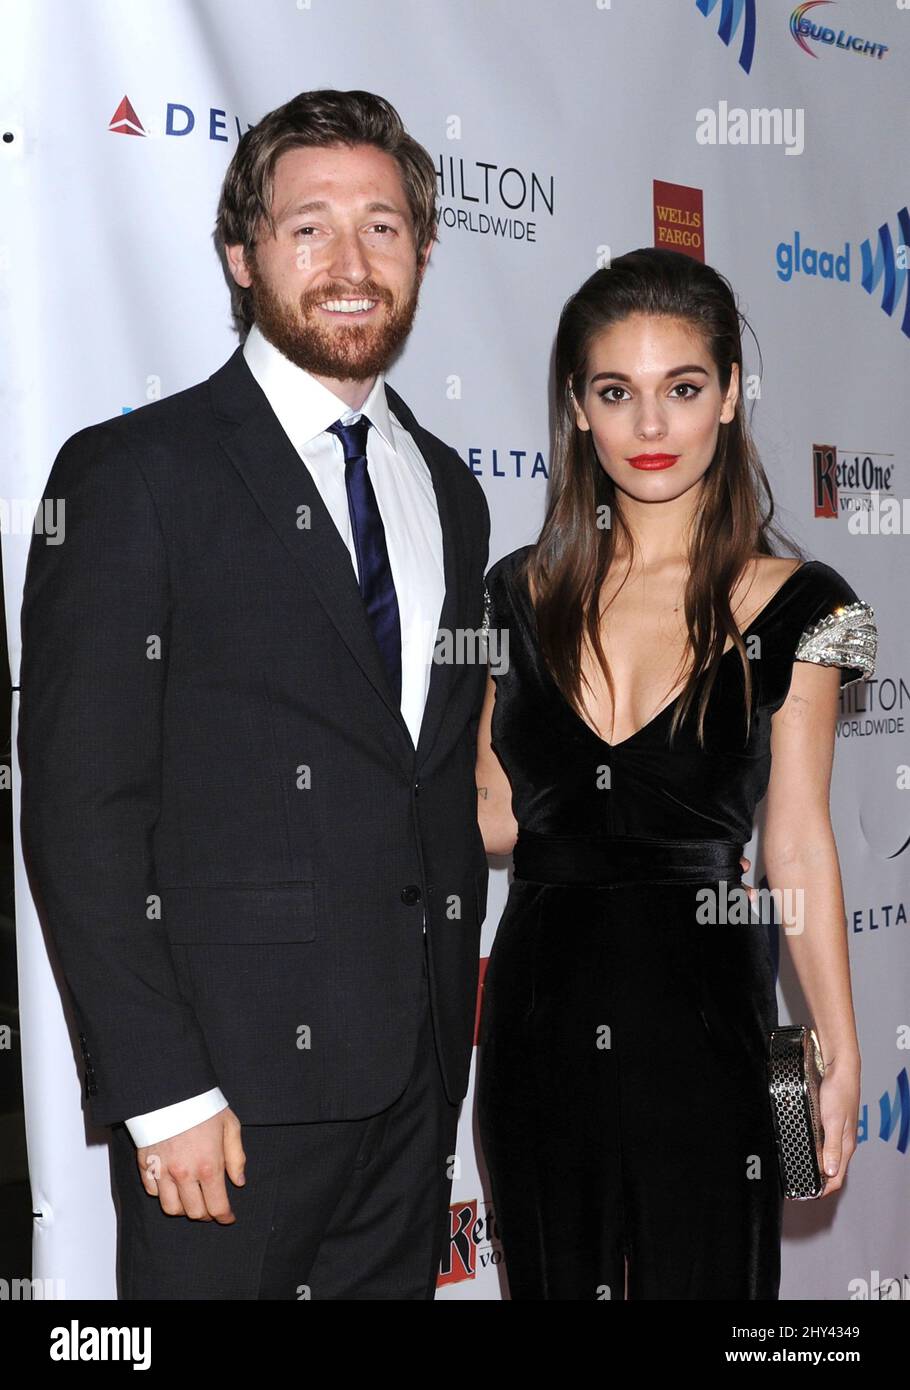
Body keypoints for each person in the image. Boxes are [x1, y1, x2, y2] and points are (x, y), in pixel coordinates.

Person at [18, 89, 490, 1300]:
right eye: (308, 227)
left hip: (413, 1085)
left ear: (423, 254)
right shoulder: (132, 474)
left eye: (383, 228)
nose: (351, 264)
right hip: (221, 1105)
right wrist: (161, 1087)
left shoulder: (449, 486)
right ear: (242, 254)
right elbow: (81, 807)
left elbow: (423, 782)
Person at [474, 247, 877, 1301]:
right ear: (576, 408)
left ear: (730, 394)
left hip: (704, 1023)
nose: (650, 429)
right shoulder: (513, 596)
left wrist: (836, 1046)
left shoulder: (804, 603)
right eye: (617, 392)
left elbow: (794, 837)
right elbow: (491, 816)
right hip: (536, 1022)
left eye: (682, 389)